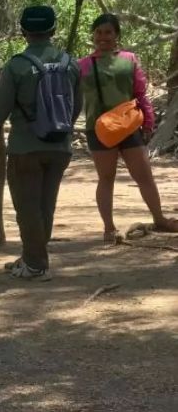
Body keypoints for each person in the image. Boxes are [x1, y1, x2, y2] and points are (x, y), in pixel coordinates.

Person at [0, 5, 82, 280]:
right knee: (46, 205)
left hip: (25, 146)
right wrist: (61, 128)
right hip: (60, 146)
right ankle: (32, 256)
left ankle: (35, 264)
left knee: (27, 207)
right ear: (53, 30)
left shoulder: (17, 65)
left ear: (23, 31)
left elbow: (0, 106)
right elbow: (77, 105)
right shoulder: (71, 64)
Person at [77, 14, 178, 243]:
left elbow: (140, 93)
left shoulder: (129, 60)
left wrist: (149, 122)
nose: (103, 37)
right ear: (93, 35)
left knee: (144, 176)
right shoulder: (80, 66)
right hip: (99, 129)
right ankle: (109, 228)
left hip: (129, 127)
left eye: (108, 32)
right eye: (99, 32)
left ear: (116, 34)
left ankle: (159, 219)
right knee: (106, 178)